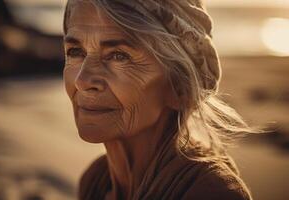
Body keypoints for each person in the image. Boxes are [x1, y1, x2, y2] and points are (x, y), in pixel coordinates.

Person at [62, 0, 254, 199]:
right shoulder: (96, 181)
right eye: (75, 52)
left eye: (119, 56)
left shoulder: (210, 194)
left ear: (181, 88)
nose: (82, 80)